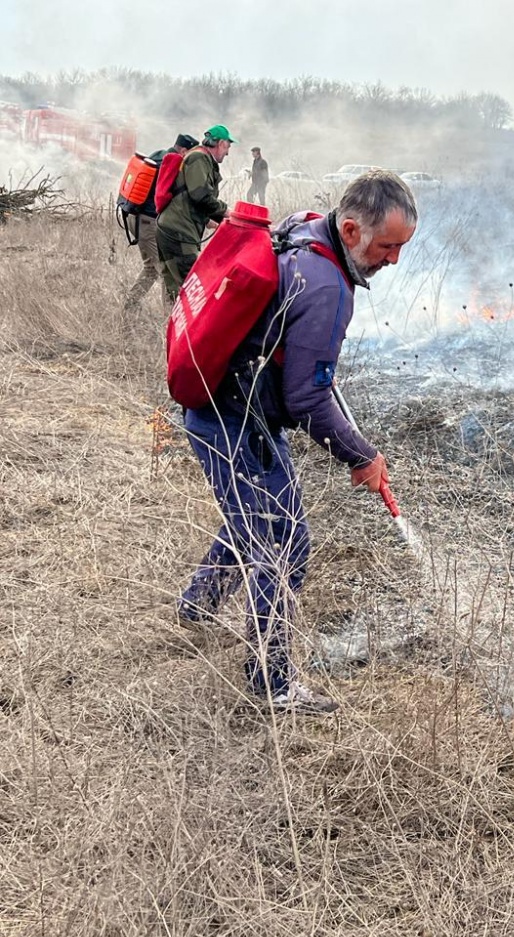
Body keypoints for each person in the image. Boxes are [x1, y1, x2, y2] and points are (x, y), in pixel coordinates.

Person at [177, 169, 418, 714]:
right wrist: (362, 455)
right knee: (284, 542)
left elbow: (300, 371)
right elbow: (307, 399)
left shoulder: (304, 228)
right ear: (351, 230)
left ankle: (198, 606)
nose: (394, 260)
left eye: (401, 247)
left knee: (255, 517)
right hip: (233, 418)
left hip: (228, 407)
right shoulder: (328, 286)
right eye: (388, 246)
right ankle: (273, 683)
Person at [156, 124, 235, 300]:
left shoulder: (201, 158)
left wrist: (224, 221)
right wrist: (228, 212)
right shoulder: (199, 158)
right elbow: (200, 195)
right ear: (220, 143)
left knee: (172, 291)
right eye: (228, 147)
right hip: (179, 231)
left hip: (170, 228)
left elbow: (199, 201)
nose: (228, 152)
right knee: (195, 287)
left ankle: (168, 318)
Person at [123, 133, 199, 313]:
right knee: (162, 270)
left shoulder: (158, 155)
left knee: (155, 268)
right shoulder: (172, 164)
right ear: (183, 150)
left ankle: (133, 305)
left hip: (136, 217)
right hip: (147, 222)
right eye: (189, 155)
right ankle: (166, 315)